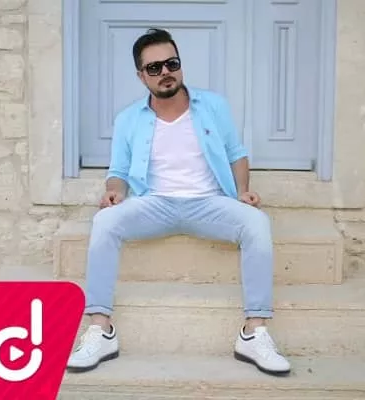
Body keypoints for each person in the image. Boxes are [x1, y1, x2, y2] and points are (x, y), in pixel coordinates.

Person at [65, 28, 291, 376]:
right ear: (141, 76)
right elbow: (118, 171)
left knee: (257, 223)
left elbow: (236, 152)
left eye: (171, 63)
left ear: (180, 64)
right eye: (154, 68)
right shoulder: (128, 119)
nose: (165, 72)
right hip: (154, 203)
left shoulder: (213, 106)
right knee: (104, 222)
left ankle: (254, 332)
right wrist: (115, 191)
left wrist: (242, 191)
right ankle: (100, 329)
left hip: (208, 203)